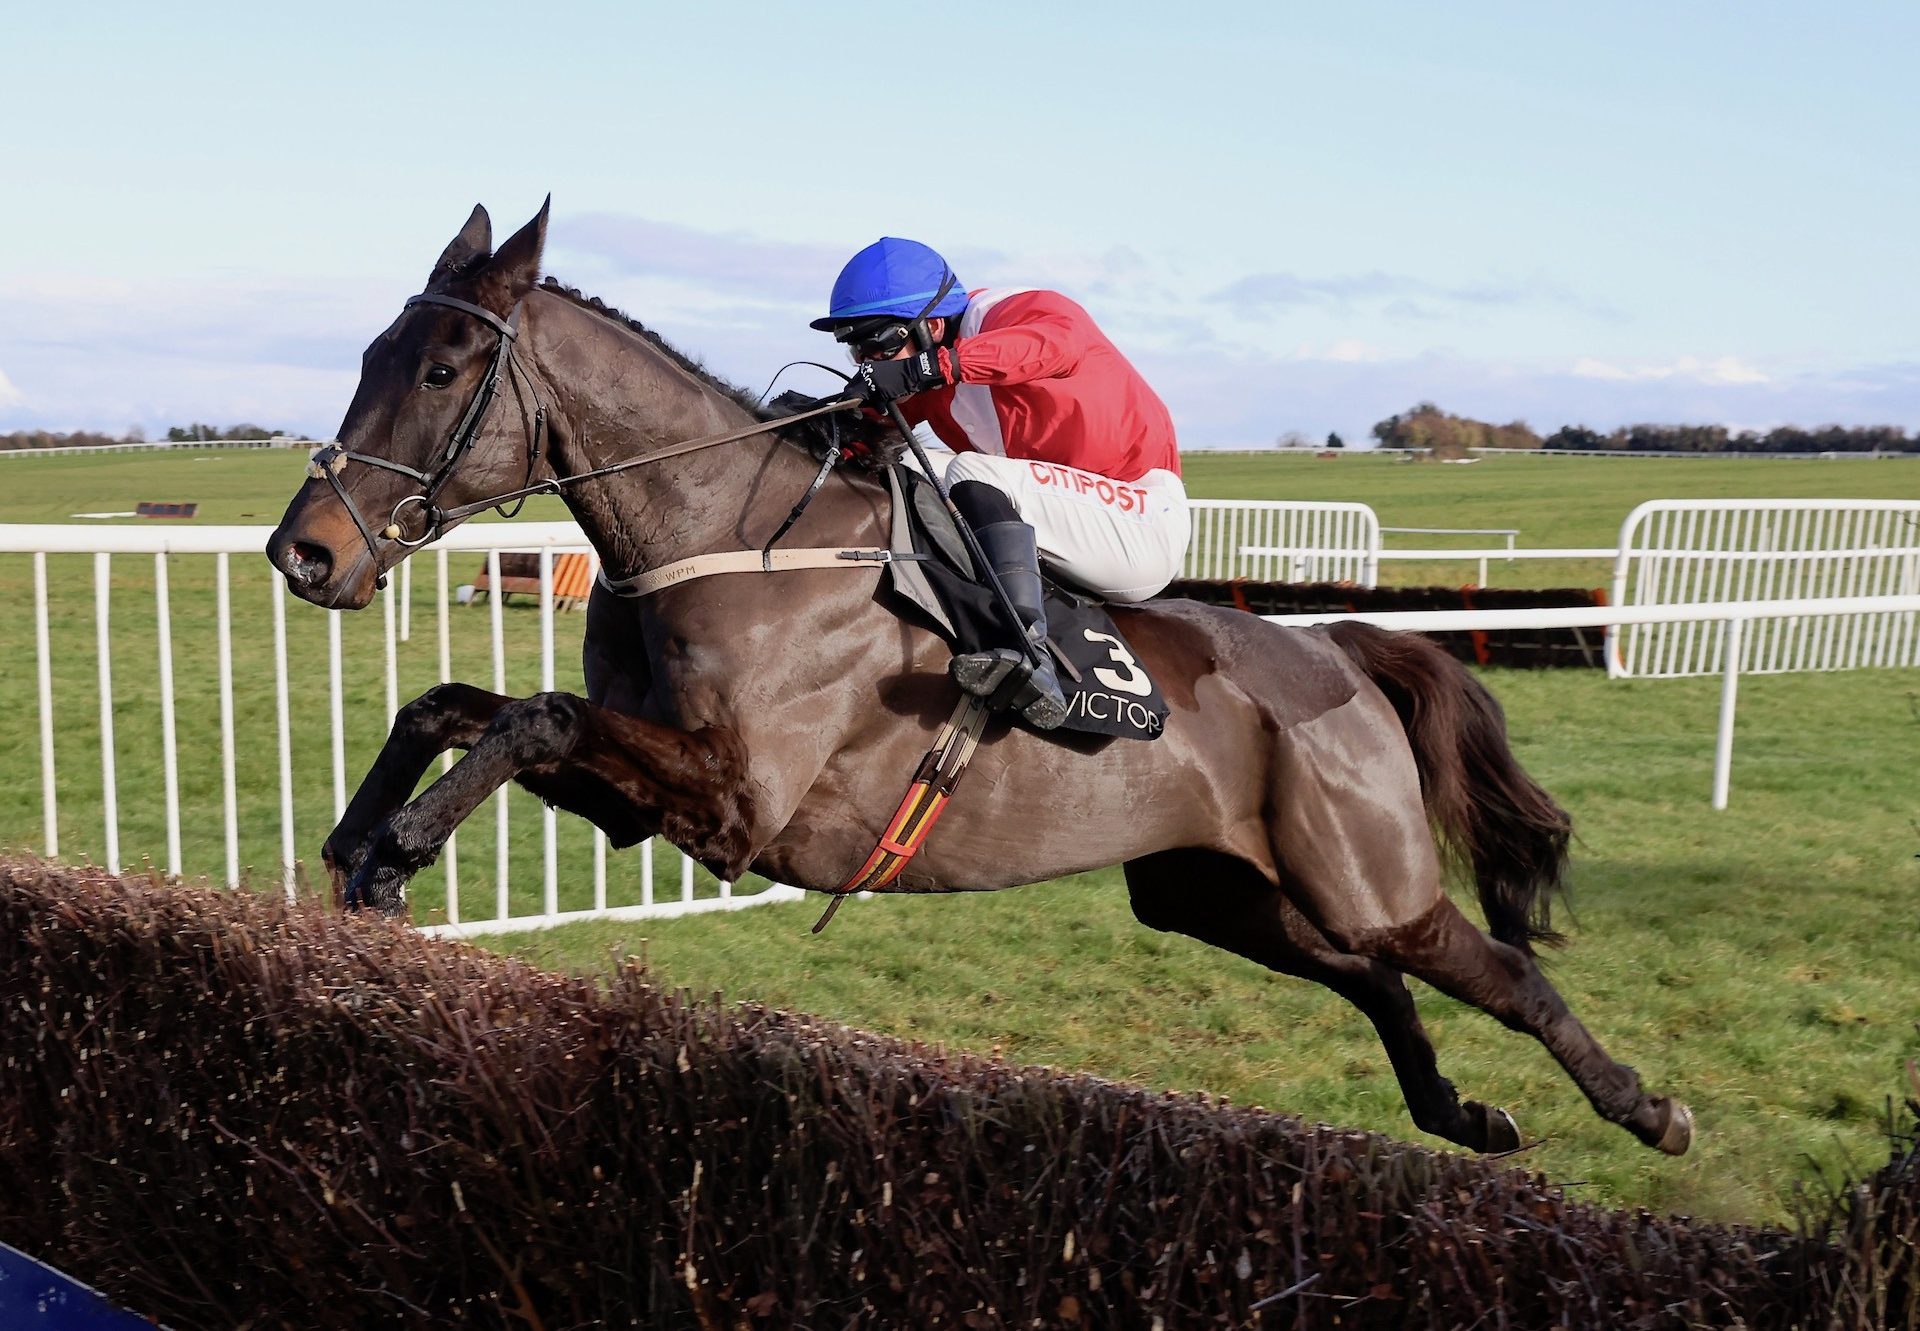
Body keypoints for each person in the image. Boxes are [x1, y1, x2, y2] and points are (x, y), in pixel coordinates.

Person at [815, 237, 1189, 730]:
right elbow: (870, 434)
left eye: (878, 342)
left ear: (931, 326)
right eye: (855, 346)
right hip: (1072, 521)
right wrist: (814, 424)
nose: (869, 359)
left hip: (1140, 518)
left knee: (971, 470)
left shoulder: (1020, 312)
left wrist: (927, 369)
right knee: (908, 466)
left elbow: (1057, 344)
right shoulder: (934, 371)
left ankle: (1025, 654)